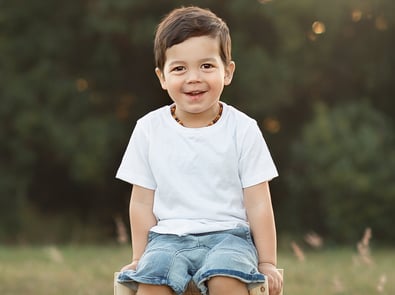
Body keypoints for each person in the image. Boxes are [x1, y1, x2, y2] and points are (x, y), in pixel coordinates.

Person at [116, 6, 283, 295]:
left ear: (227, 72)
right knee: (152, 283)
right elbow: (142, 203)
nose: (193, 77)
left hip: (231, 238)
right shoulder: (148, 129)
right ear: (162, 77)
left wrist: (267, 262)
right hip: (166, 239)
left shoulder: (242, 129)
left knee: (226, 280)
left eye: (206, 66)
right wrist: (138, 257)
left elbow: (258, 203)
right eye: (179, 68)